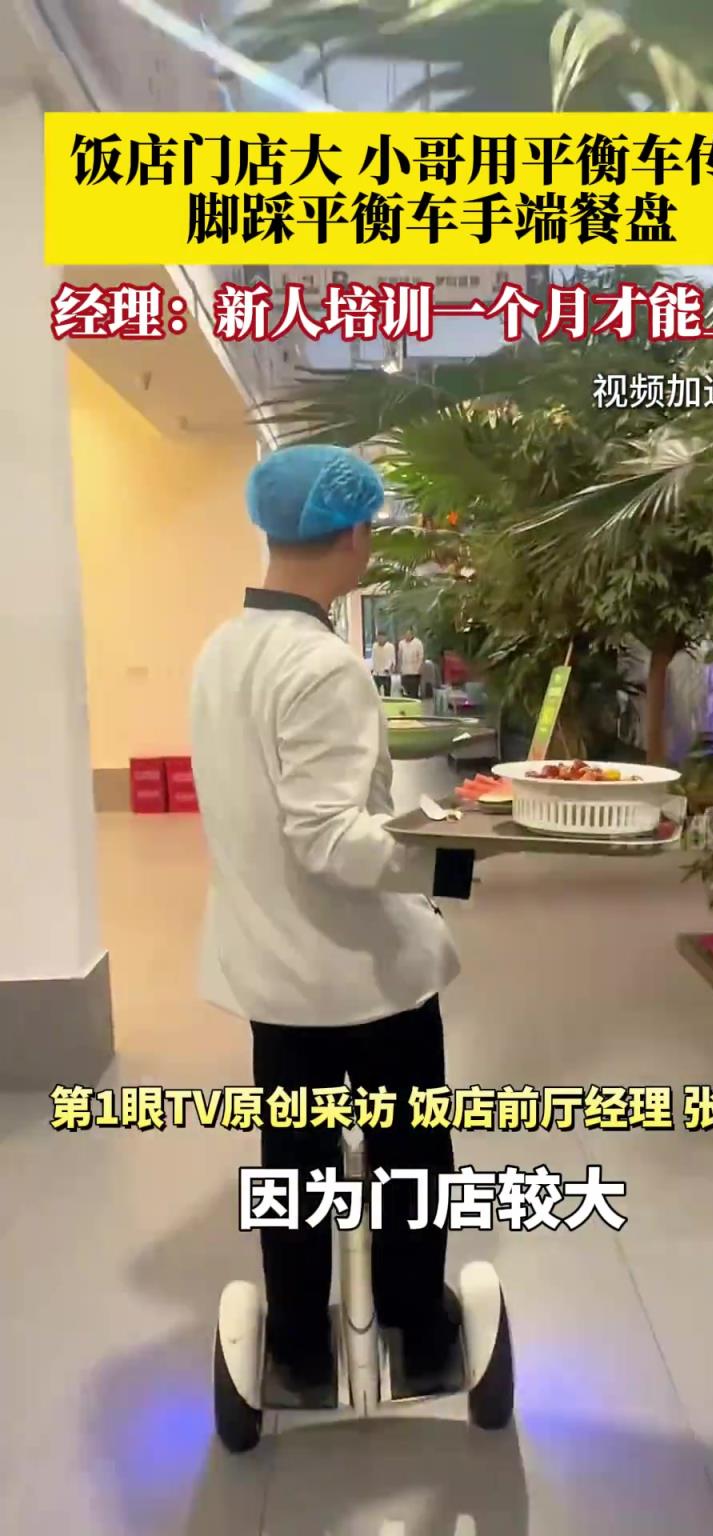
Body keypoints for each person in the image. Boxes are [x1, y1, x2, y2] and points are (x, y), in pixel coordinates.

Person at [190, 445, 476, 1404]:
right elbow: (328, 840)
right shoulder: (321, 665)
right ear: (354, 535)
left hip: (270, 972)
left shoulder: (222, 652)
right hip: (362, 977)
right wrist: (457, 852)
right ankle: (419, 1332)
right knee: (409, 1154)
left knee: (295, 1163)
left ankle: (300, 1353)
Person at [398, 625, 425, 699]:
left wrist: (420, 668)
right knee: (406, 690)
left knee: (414, 691)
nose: (407, 636)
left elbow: (421, 656)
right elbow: (400, 656)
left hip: (415, 672)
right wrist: (399, 667)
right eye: (406, 634)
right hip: (405, 671)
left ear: (412, 634)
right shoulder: (401, 643)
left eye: (409, 634)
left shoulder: (418, 643)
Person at [371, 628, 396, 696]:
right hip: (376, 673)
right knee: (376, 692)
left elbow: (392, 659)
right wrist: (372, 668)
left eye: (382, 637)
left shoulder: (390, 647)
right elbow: (373, 658)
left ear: (385, 637)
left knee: (387, 692)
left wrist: (389, 668)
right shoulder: (375, 646)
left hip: (386, 674)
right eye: (379, 637)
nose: (380, 639)